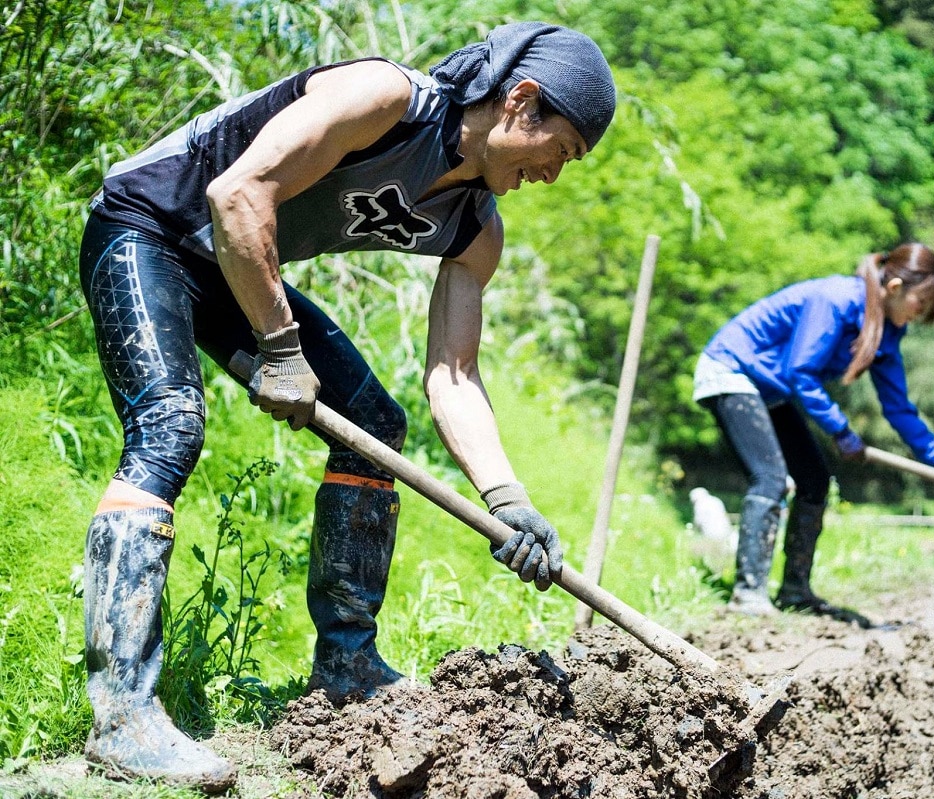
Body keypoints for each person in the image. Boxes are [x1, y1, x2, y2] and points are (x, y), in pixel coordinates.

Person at [77, 22, 616, 792]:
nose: (551, 176)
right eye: (558, 152)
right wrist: (280, 346)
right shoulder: (386, 98)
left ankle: (347, 667)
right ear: (521, 103)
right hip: (150, 226)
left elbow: (454, 376)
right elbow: (237, 193)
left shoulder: (474, 229)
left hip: (230, 265)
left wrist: (509, 500)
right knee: (170, 424)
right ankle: (122, 714)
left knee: (375, 431)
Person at [693, 243, 934, 621]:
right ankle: (748, 595)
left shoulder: (887, 334)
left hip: (770, 390)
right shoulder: (836, 300)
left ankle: (794, 591)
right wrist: (842, 432)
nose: (918, 317)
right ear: (894, 288)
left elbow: (898, 407)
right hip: (732, 370)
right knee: (771, 479)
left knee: (814, 480)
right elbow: (801, 373)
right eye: (919, 306)